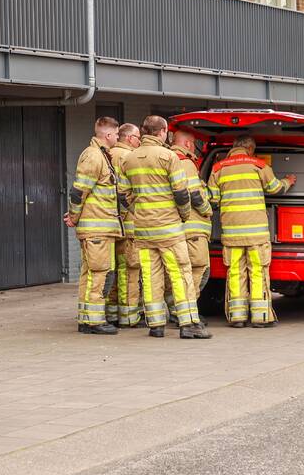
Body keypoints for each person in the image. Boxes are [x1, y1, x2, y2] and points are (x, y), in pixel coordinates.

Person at [117, 116, 212, 339]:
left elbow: (123, 195)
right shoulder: (169, 156)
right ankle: (188, 324)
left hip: (144, 230)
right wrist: (184, 215)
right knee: (180, 274)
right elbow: (181, 192)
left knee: (151, 277)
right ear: (161, 132)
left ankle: (156, 325)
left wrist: (138, 212)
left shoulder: (129, 159)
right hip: (169, 229)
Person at [206, 135, 296, 328]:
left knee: (235, 272)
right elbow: (275, 188)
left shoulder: (217, 168)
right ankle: (261, 317)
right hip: (256, 234)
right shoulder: (259, 165)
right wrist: (288, 181)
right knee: (257, 272)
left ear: (233, 147)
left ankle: (237, 317)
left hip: (231, 234)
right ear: (250, 149)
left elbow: (212, 199)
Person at [63, 116, 122, 335]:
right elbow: (79, 191)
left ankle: (87, 319)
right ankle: (95, 321)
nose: (118, 137)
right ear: (108, 135)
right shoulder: (94, 156)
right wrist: (74, 216)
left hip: (99, 227)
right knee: (100, 274)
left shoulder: (101, 156)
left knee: (91, 275)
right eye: (116, 134)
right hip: (97, 229)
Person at [168, 129, 213, 324]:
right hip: (193, 228)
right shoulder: (186, 163)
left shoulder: (168, 159)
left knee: (178, 272)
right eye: (195, 144)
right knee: (199, 269)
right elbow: (195, 195)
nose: (196, 148)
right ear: (188, 144)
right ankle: (186, 312)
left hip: (175, 228)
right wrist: (208, 209)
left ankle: (176, 309)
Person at [107, 122, 142, 327]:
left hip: (111, 224)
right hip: (128, 226)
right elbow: (129, 193)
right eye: (138, 138)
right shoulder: (128, 158)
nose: (140, 141)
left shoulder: (108, 154)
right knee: (129, 270)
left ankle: (111, 313)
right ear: (129, 138)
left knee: (114, 269)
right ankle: (129, 317)